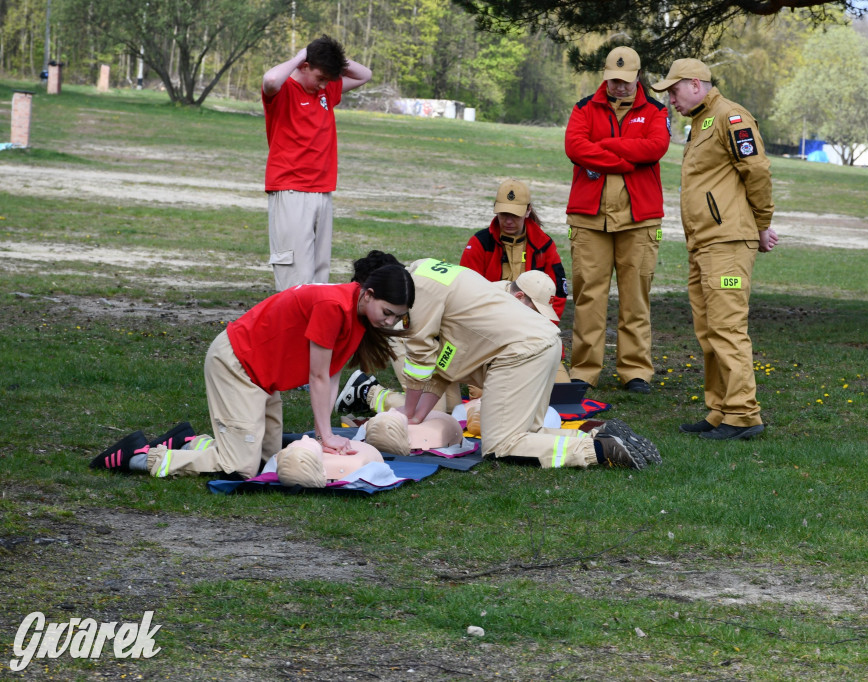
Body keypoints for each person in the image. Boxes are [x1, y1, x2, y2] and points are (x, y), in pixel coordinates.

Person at [90, 252, 415, 478]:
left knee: (268, 460)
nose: (390, 321)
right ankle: (137, 458)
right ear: (369, 294)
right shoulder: (334, 306)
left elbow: (331, 375)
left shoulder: (358, 316)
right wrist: (327, 437)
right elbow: (317, 376)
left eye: (398, 317)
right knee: (240, 469)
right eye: (388, 312)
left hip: (262, 380)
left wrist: (322, 434)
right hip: (237, 366)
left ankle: (191, 442)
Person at [398, 257, 660, 470]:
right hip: (543, 346)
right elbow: (445, 368)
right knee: (530, 431)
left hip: (526, 352)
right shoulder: (476, 302)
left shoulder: (475, 300)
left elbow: (435, 361)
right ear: (520, 296)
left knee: (500, 446)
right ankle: (597, 436)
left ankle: (600, 450)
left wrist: (411, 414)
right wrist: (418, 416)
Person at [650, 58, 779, 441]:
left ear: (694, 84)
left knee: (727, 329)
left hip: (726, 243)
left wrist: (762, 223)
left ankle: (743, 415)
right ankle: (720, 410)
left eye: (673, 91)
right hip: (704, 243)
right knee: (708, 331)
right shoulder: (701, 122)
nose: (670, 99)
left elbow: (756, 171)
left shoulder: (731, 117)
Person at [564, 46, 671, 394]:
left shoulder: (655, 110)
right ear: (604, 77)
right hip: (589, 218)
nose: (620, 87)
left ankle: (636, 371)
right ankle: (584, 371)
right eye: (613, 81)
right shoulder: (583, 108)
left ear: (638, 77)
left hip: (638, 220)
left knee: (635, 298)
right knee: (588, 297)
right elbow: (575, 148)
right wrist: (626, 158)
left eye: (626, 82)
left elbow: (655, 148)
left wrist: (607, 145)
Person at [339, 270, 570, 414]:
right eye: (536, 310)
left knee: (448, 410)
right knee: (431, 412)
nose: (536, 318)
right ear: (519, 297)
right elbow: (453, 353)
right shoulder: (494, 304)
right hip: (412, 335)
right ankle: (368, 392)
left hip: (440, 346)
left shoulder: (506, 298)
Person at [262, 35, 372, 291]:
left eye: (328, 80)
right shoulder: (283, 89)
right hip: (291, 189)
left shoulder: (325, 90)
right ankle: (290, 326)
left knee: (319, 271)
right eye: (320, 77)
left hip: (322, 190)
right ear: (304, 66)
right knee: (294, 272)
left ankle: (312, 328)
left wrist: (332, 60)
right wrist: (302, 55)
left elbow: (365, 74)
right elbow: (270, 79)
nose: (324, 85)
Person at [460, 179, 569, 320]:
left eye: (515, 215)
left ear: (528, 210)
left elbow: (558, 294)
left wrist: (545, 327)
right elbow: (465, 290)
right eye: (504, 214)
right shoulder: (480, 243)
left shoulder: (544, 245)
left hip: (531, 321)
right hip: (486, 318)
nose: (508, 221)